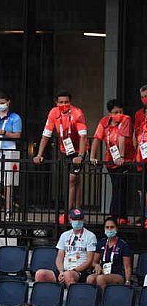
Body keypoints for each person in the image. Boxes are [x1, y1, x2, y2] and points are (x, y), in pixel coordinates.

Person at [34, 90, 88, 223]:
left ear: (71, 102)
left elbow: (83, 136)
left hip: (79, 150)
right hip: (65, 150)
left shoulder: (77, 113)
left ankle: (68, 213)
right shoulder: (53, 113)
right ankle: (77, 211)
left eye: (66, 102)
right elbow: (46, 135)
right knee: (75, 181)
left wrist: (81, 156)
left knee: (72, 179)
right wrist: (39, 154)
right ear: (56, 103)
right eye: (61, 102)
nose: (64, 104)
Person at [90, 99, 134, 224]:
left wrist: (121, 157)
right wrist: (92, 156)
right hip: (110, 160)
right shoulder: (104, 121)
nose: (118, 114)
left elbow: (122, 138)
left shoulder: (126, 119)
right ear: (110, 113)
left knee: (120, 185)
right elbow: (97, 138)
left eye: (120, 111)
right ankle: (118, 216)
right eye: (115, 112)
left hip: (125, 159)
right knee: (116, 186)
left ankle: (116, 216)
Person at [35, 208, 96, 286]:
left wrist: (73, 271)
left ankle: (72, 293)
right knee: (40, 274)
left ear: (83, 219)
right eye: (75, 219)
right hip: (64, 270)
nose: (77, 221)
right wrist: (61, 272)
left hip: (79, 271)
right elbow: (59, 257)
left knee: (68, 275)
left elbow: (89, 261)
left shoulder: (90, 236)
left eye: (79, 219)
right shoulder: (64, 235)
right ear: (70, 219)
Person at [86, 217, 132, 290]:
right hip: (103, 272)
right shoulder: (101, 243)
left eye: (112, 227)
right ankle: (94, 297)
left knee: (100, 278)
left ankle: (106, 297)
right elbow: (94, 262)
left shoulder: (123, 245)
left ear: (116, 228)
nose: (109, 229)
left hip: (118, 274)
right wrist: (96, 265)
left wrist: (127, 281)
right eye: (107, 227)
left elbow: (127, 266)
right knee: (90, 278)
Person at [134, 84, 147, 227]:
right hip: (140, 157)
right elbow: (135, 134)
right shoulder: (138, 114)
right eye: (142, 97)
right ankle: (143, 214)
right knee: (141, 189)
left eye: (146, 96)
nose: (144, 99)